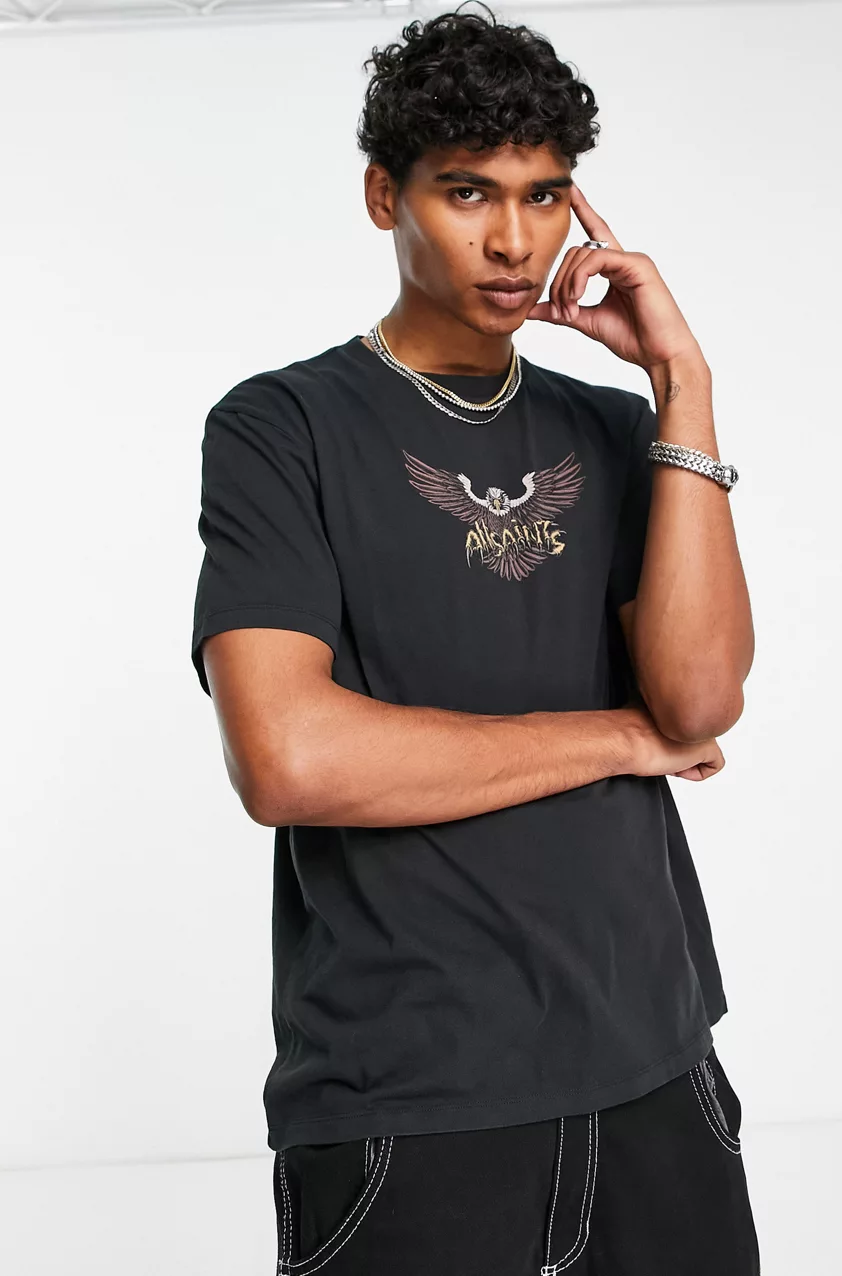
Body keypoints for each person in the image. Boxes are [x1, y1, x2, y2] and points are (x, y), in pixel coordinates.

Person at [190, 3, 758, 1271]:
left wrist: (683, 388)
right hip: (413, 1100)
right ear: (382, 195)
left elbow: (699, 699)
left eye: (544, 195)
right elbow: (288, 759)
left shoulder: (615, 430)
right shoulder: (283, 429)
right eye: (467, 193)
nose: (513, 240)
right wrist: (616, 739)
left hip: (659, 1072)